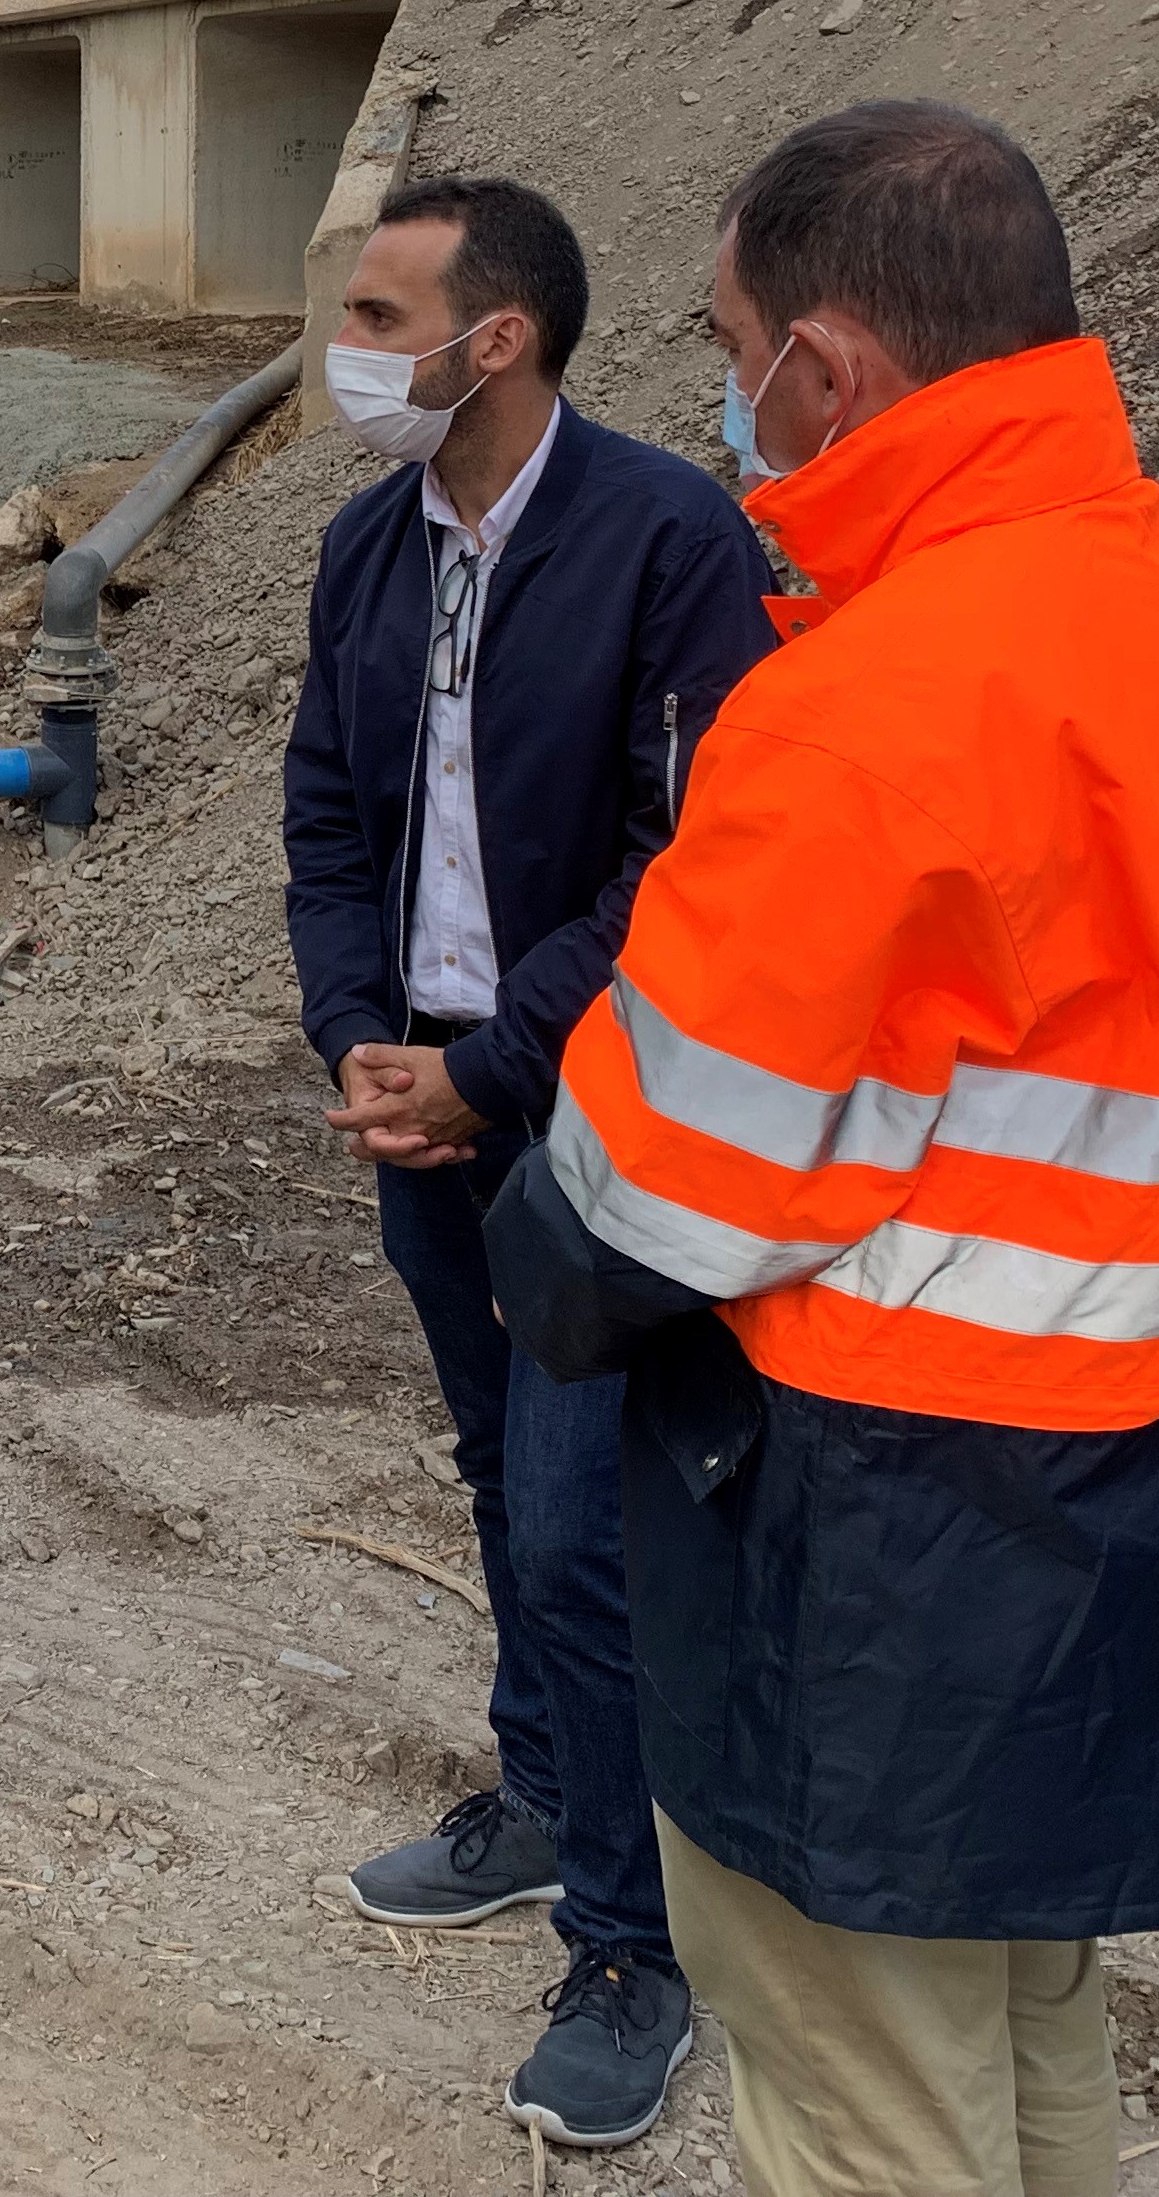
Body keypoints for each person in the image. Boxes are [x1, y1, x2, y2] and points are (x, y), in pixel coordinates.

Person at [488, 101, 1159, 2197]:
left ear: (832, 366)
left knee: (866, 2092)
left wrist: (529, 1220)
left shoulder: (869, 707)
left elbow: (651, 1197)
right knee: (1030, 2030)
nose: (721, 397)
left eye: (729, 340)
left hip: (894, 1534)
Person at [283, 174, 773, 2147]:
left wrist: (495, 1061)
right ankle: (551, 1787)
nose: (354, 348)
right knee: (497, 1471)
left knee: (587, 1523)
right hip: (427, 1106)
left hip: (598, 1114)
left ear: (498, 342)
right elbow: (326, 805)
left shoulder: (674, 538)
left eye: (386, 315)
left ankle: (637, 1944)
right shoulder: (364, 548)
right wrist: (360, 1044)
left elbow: (696, 864)